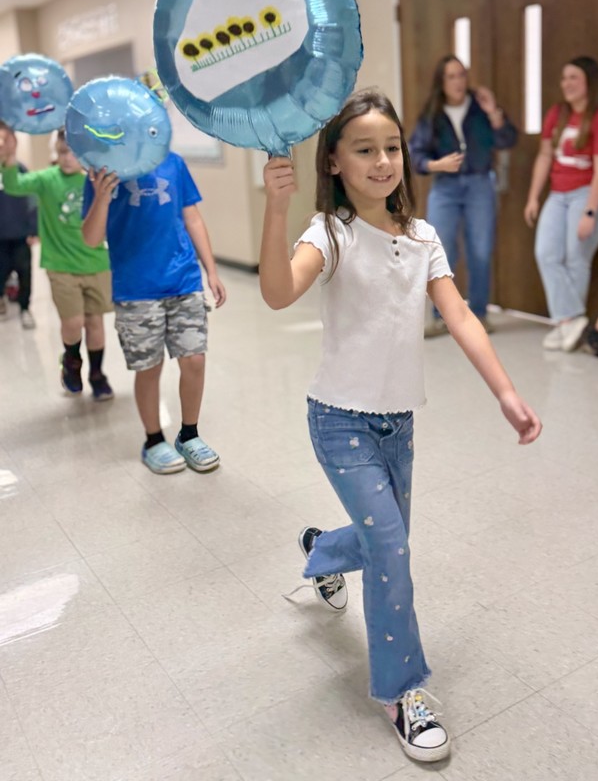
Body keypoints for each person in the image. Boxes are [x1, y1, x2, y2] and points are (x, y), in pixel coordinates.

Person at [259, 86, 541, 763]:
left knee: (381, 543)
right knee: (391, 550)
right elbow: (275, 292)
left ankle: (322, 550)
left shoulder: (422, 238)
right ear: (334, 163)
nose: (383, 160)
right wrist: (275, 206)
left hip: (397, 426)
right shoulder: (327, 233)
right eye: (364, 150)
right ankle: (404, 691)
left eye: (391, 147)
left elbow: (462, 315)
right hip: (337, 421)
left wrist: (503, 391)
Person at [81, 151, 226, 473]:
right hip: (135, 288)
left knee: (195, 359)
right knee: (149, 367)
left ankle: (189, 434)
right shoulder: (102, 170)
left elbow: (192, 217)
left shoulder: (173, 162)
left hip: (183, 280)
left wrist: (211, 270)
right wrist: (102, 197)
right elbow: (90, 239)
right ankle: (153, 440)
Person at [0, 126, 114, 397]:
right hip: (61, 265)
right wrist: (10, 156)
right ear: (56, 153)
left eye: (74, 153)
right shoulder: (47, 179)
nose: (67, 158)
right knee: (73, 322)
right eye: (62, 152)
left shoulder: (94, 181)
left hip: (96, 263)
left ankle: (97, 374)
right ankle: (72, 362)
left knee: (95, 322)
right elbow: (15, 184)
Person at [408, 55, 517, 335]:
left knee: (480, 250)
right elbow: (414, 155)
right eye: (452, 77)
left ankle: (479, 313)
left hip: (479, 184)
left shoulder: (480, 107)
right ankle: (442, 316)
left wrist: (494, 112)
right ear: (442, 82)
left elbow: (507, 139)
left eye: (462, 75)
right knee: (440, 251)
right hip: (445, 187)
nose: (458, 82)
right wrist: (436, 165)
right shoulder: (432, 113)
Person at [524, 56, 598, 352]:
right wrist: (533, 196)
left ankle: (565, 323)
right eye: (564, 77)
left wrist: (590, 212)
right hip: (560, 192)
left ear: (589, 82)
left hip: (593, 191)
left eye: (573, 78)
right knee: (546, 253)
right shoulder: (558, 113)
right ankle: (570, 321)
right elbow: (544, 156)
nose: (566, 83)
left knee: (575, 255)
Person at [0, 121, 37, 329]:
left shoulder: (20, 169)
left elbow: (32, 200)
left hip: (20, 233)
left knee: (24, 272)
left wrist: (33, 228)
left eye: (5, 140)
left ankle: (25, 308)